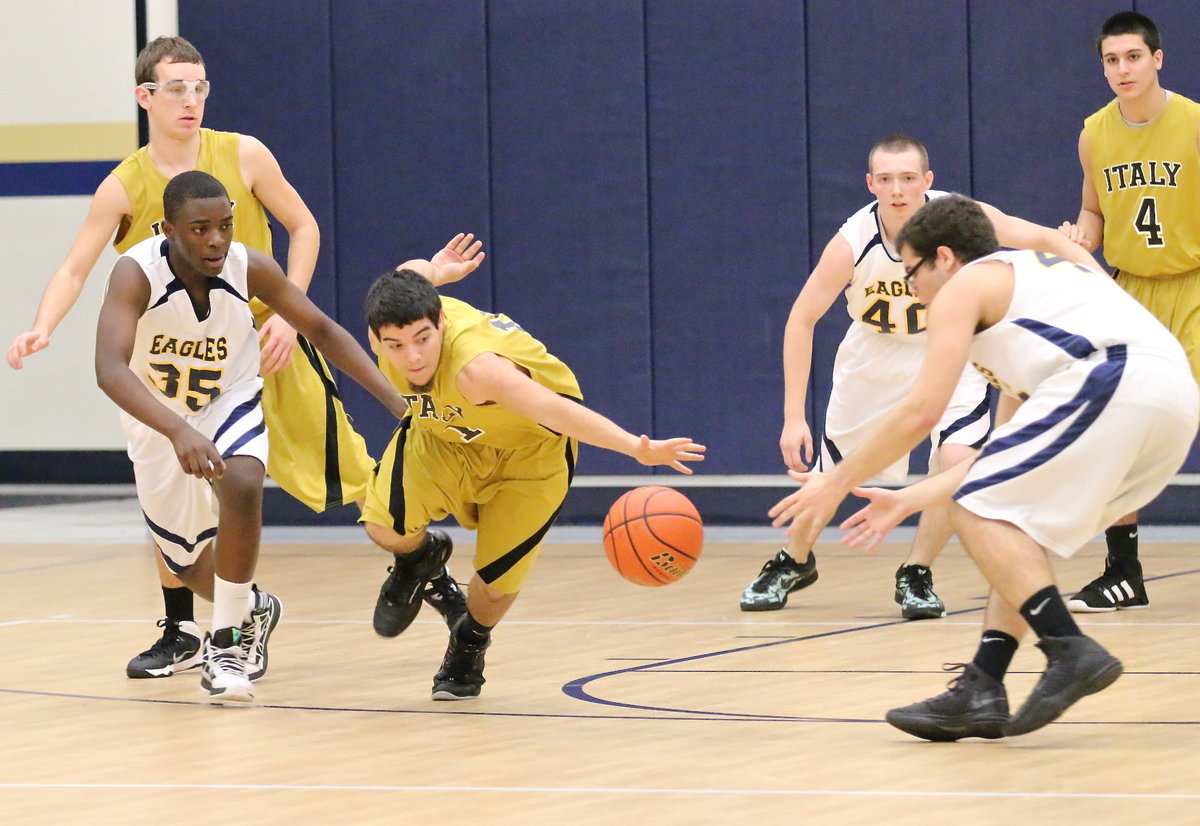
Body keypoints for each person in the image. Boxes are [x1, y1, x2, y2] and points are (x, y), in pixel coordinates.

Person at [6, 36, 464, 678]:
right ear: (146, 97)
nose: (190, 100)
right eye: (175, 88)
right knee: (175, 503)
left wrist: (285, 311)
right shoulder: (124, 187)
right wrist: (41, 326)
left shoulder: (243, 154)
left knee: (357, 480)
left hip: (263, 345)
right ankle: (185, 629)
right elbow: (74, 267)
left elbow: (304, 227)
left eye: (199, 87)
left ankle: (430, 577)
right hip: (174, 368)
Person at [769, 194, 1198, 740]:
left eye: (912, 273)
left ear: (944, 258)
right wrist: (907, 499)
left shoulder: (970, 285)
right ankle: (982, 686)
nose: (911, 289)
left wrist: (835, 481)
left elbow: (920, 412)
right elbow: (996, 455)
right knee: (1012, 524)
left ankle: (1068, 648)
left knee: (978, 512)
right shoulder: (1030, 305)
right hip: (1170, 403)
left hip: (1114, 380)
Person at [95, 171, 432, 702]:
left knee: (244, 480)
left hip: (228, 396)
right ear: (167, 229)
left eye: (225, 225)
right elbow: (110, 370)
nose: (216, 240)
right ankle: (252, 608)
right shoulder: (135, 274)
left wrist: (394, 399)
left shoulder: (249, 267)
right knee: (188, 564)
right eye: (200, 228)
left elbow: (321, 329)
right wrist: (177, 428)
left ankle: (225, 647)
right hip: (157, 418)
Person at [740, 135, 1101, 620]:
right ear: (870, 185)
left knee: (956, 460)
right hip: (875, 354)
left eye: (908, 178)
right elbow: (800, 320)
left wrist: (1097, 283)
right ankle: (795, 559)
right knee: (833, 475)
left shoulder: (956, 217)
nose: (897, 189)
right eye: (886, 179)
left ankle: (917, 572)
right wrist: (791, 416)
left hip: (951, 347)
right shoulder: (853, 241)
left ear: (927, 182)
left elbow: (1040, 237)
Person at [359, 263, 706, 700]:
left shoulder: (479, 369)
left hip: (530, 453)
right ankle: (422, 561)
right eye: (395, 345)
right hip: (446, 438)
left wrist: (635, 448)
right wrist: (436, 271)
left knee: (496, 585)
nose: (411, 356)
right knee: (383, 525)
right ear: (374, 338)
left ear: (441, 324)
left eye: (423, 339)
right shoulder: (397, 311)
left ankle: (469, 643)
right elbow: (408, 272)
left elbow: (555, 411)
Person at [1058, 11, 1200, 613]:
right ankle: (1124, 570)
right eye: (1112, 60)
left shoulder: (1193, 124)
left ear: (1158, 59)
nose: (1122, 69)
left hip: (1192, 283)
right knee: (1118, 429)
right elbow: (1094, 211)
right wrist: (1078, 235)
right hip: (1131, 290)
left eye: (1133, 57)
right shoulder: (1094, 133)